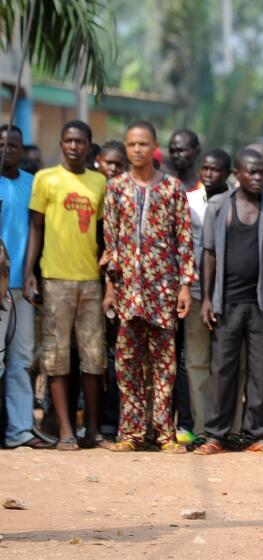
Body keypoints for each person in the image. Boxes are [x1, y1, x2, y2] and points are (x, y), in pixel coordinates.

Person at [101, 120, 195, 453]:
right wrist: (111, 288)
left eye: (142, 144)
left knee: (164, 365)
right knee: (127, 364)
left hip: (162, 290)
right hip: (128, 290)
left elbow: (184, 239)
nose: (136, 150)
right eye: (131, 144)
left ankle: (164, 434)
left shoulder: (171, 188)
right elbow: (109, 240)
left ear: (153, 146)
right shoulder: (116, 188)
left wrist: (184, 286)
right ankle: (131, 433)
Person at [194, 149, 263, 455]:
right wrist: (207, 298)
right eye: (251, 172)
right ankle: (216, 435)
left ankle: (257, 435)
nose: (258, 177)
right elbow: (208, 252)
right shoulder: (218, 206)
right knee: (222, 370)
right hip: (227, 302)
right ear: (237, 174)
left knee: (261, 372)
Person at [24, 120, 108, 451]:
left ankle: (92, 430)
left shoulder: (100, 182)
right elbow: (36, 228)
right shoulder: (45, 179)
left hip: (90, 280)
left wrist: (109, 278)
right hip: (55, 278)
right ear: (61, 144)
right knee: (56, 357)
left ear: (89, 146)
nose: (74, 146)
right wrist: (30, 271)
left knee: (93, 358)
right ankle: (64, 431)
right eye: (68, 141)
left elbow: (104, 234)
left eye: (80, 142)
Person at [0, 125, 49, 449]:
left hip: (21, 286)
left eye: (13, 144)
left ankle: (19, 430)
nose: (8, 149)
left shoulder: (32, 184)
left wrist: (30, 271)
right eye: (2, 144)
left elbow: (36, 229)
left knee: (20, 360)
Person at [181, 148, 233, 442]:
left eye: (215, 169)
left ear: (227, 173)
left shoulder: (237, 201)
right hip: (198, 292)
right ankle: (202, 428)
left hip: (229, 294)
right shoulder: (188, 202)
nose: (209, 174)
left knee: (227, 364)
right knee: (197, 362)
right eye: (205, 169)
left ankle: (230, 429)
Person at [167, 129, 202, 443]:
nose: (178, 155)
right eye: (172, 150)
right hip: (164, 286)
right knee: (167, 356)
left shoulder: (207, 191)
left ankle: (189, 423)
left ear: (196, 151)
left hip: (197, 289)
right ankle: (165, 422)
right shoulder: (163, 186)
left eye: (183, 150)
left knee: (190, 359)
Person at [94, 140, 127, 441]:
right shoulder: (93, 193)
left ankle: (113, 420)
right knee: (89, 357)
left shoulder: (126, 198)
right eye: (109, 163)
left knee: (118, 359)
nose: (113, 170)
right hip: (86, 282)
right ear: (99, 163)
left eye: (119, 164)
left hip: (118, 289)